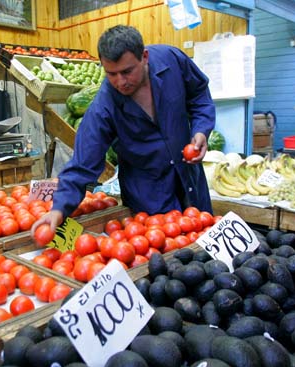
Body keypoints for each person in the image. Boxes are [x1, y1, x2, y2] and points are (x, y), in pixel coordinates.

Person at [31, 25, 216, 234]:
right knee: (166, 256)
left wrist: (201, 130)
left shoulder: (171, 60)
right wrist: (59, 209)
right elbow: (83, 163)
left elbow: (199, 93)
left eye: (127, 71)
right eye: (111, 74)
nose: (120, 82)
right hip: (150, 196)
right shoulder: (104, 107)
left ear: (144, 57)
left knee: (204, 244)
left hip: (189, 177)